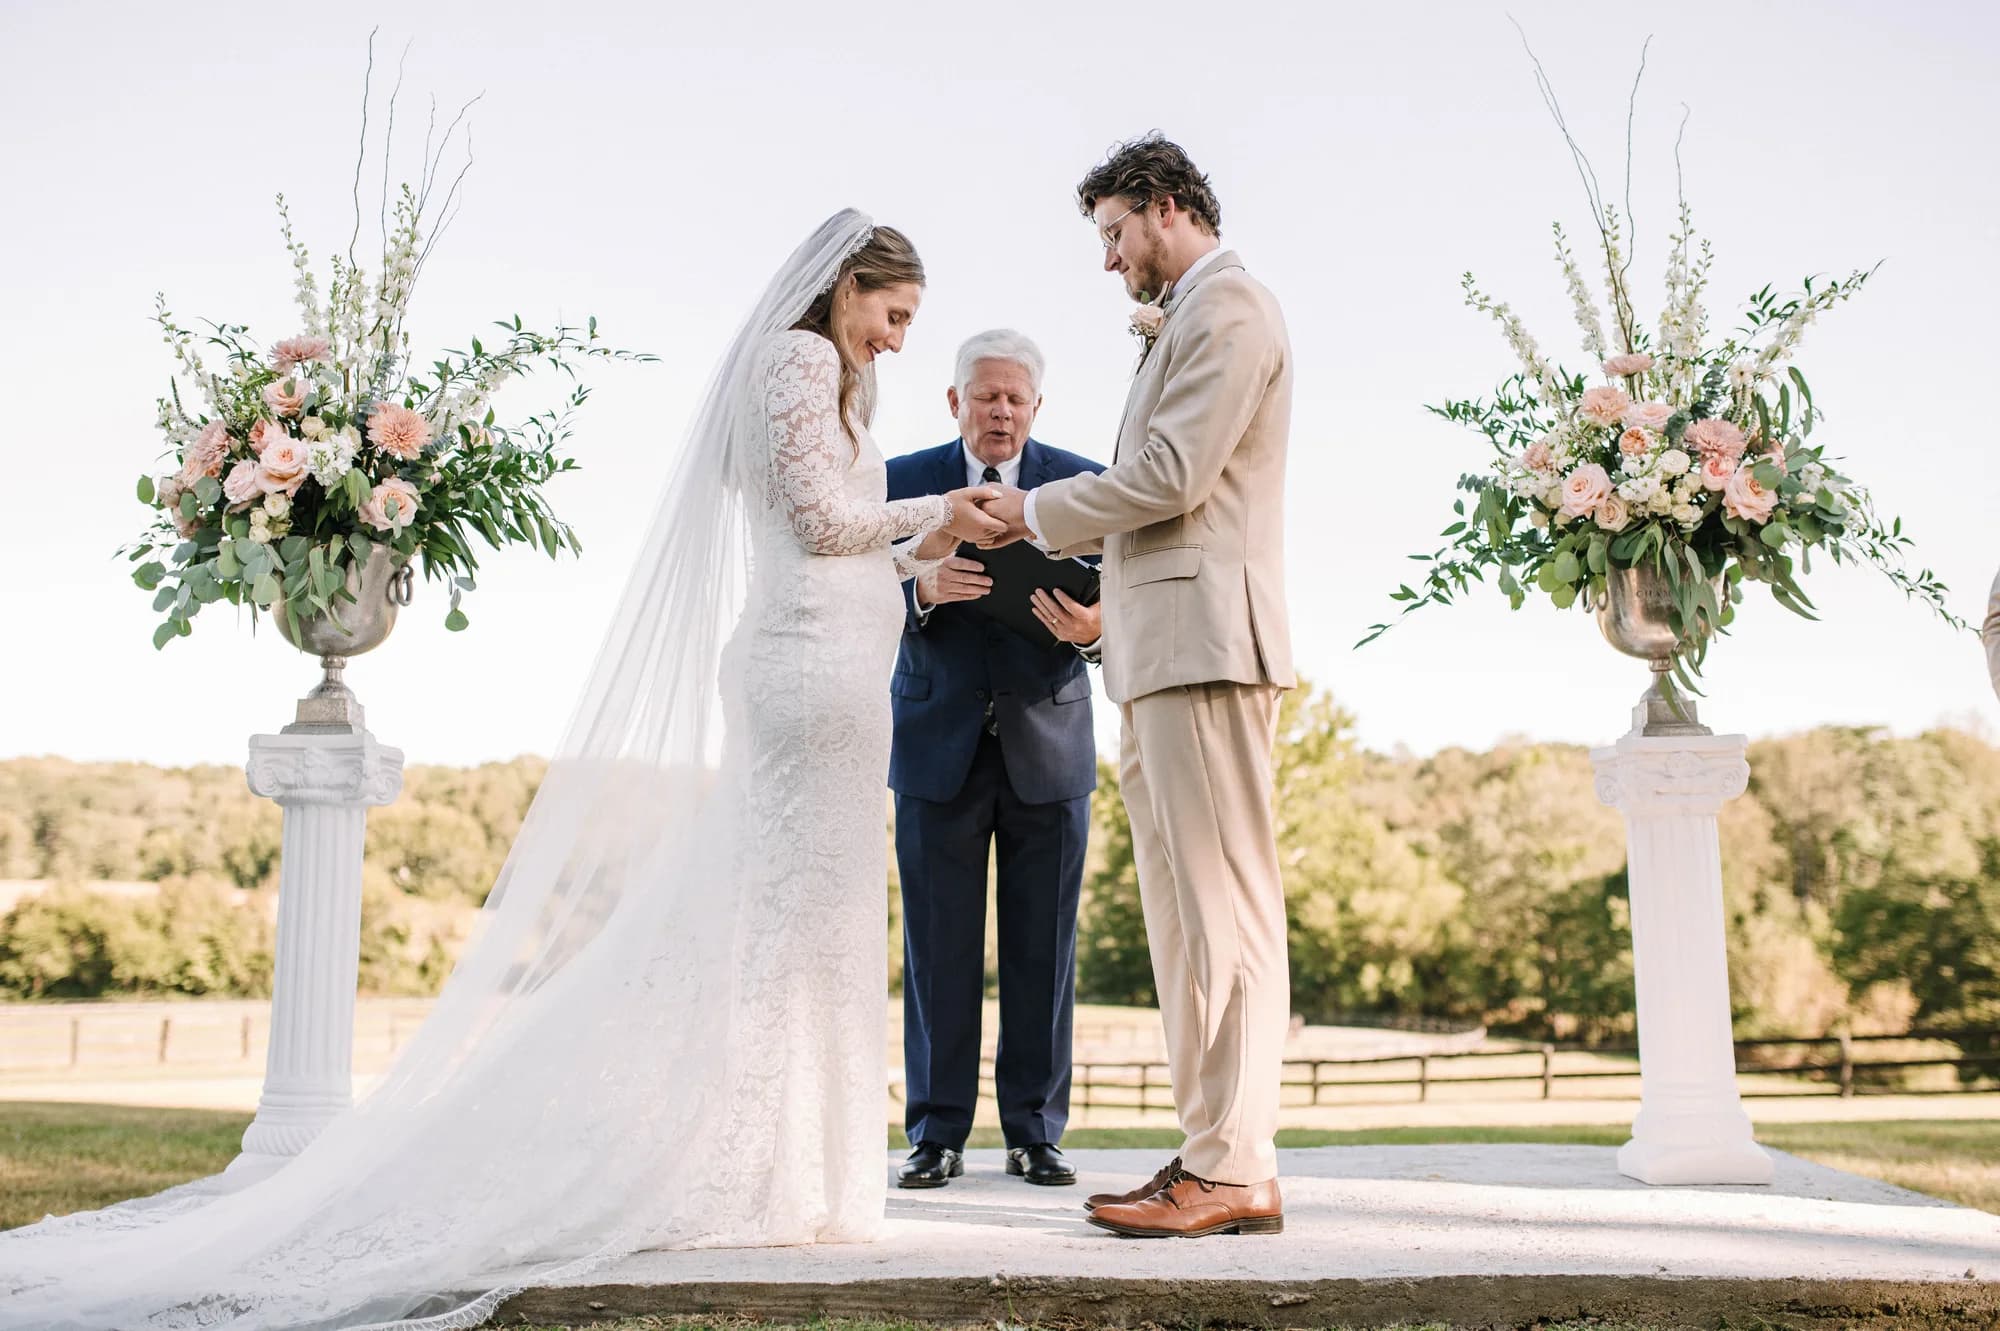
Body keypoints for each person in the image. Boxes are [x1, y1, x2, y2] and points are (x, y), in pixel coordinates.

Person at [0, 211, 1007, 1329]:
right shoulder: (800, 353)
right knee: (783, 930)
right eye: (895, 313)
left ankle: (798, 1171)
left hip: (833, 672)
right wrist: (941, 508)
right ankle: (769, 1169)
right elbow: (820, 523)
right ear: (848, 285)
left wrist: (920, 559)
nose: (901, 339)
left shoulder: (832, 376)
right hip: (803, 679)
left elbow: (821, 530)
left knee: (803, 932)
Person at [980, 134, 1295, 1239]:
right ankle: (1213, 1151)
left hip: (1209, 644)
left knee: (1225, 914)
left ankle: (1233, 1159)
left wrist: (1031, 511)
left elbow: (1171, 476)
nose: (1108, 261)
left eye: (1113, 233)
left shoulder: (1228, 309)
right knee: (1180, 916)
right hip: (1161, 647)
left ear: (1167, 208)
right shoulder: (1192, 314)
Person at [884, 329, 1104, 1190]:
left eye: (1017, 397)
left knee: (1044, 947)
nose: (1002, 410)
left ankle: (1035, 1133)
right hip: (935, 742)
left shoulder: (1085, 482)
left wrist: (1098, 627)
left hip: (1049, 744)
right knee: (936, 948)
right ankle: (936, 1134)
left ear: (1037, 406)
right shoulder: (901, 479)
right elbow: (843, 579)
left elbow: (1127, 585)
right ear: (955, 402)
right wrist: (916, 588)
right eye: (986, 395)